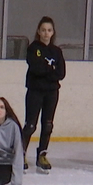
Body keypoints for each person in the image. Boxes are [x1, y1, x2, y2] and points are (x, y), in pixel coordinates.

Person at [22, 16, 65, 173]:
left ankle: (42, 154)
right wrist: (50, 71)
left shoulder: (57, 51)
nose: (46, 33)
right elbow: (36, 68)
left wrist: (48, 72)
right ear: (38, 32)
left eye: (49, 30)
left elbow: (61, 73)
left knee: (47, 125)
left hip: (52, 93)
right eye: (43, 30)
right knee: (30, 125)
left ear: (53, 32)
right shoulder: (33, 48)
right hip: (35, 91)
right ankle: (21, 153)